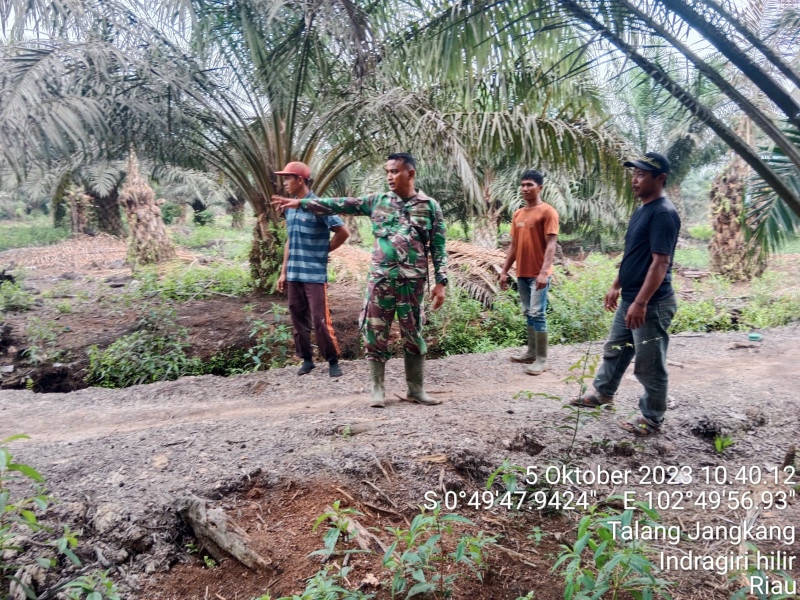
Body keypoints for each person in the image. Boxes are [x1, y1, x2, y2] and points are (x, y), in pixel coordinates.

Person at [272, 153, 447, 408]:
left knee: (413, 333)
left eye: (395, 171)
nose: (389, 176)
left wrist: (441, 282)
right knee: (375, 333)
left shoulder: (429, 206)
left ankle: (416, 389)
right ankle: (377, 389)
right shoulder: (377, 201)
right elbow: (340, 204)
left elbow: (439, 246)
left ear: (410, 173)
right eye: (387, 171)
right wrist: (301, 204)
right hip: (381, 281)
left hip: (412, 283)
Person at [572, 152, 681, 436]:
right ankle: (603, 394)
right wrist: (616, 285)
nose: (635, 180)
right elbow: (634, 256)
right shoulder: (643, 209)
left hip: (652, 304)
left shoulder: (663, 213)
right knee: (616, 348)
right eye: (634, 174)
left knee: (649, 364)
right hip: (632, 298)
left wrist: (642, 302)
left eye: (642, 174)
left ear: (661, 178)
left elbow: (660, 263)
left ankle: (652, 418)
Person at [275, 161, 350, 378]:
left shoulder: (319, 205)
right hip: (294, 273)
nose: (285, 182)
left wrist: (324, 250)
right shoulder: (290, 207)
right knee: (297, 317)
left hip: (315, 275)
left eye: (288, 178)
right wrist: (283, 272)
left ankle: (333, 360)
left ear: (300, 180)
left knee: (320, 319)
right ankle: (307, 360)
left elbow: (343, 232)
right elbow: (290, 240)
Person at [499, 170, 559, 375]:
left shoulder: (548, 211)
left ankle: (542, 359)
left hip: (539, 273)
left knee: (537, 313)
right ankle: (531, 352)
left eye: (530, 185)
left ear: (539, 187)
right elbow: (513, 246)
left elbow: (551, 244)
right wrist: (505, 271)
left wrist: (544, 272)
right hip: (522, 272)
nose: (525, 188)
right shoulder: (518, 214)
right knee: (528, 312)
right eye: (522, 185)